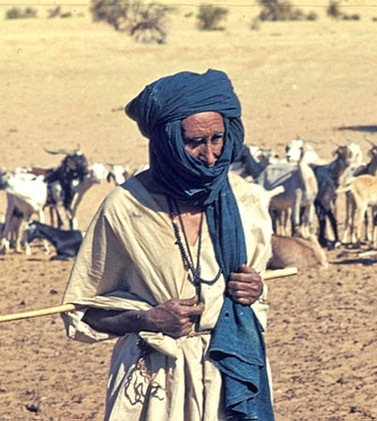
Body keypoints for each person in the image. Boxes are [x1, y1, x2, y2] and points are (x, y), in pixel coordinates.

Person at [60, 69, 275, 420]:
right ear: (167, 141)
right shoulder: (126, 208)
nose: (210, 156)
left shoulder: (246, 200)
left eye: (217, 138)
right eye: (194, 143)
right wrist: (149, 318)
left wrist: (255, 288)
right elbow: (84, 313)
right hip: (155, 383)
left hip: (233, 372)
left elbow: (254, 299)